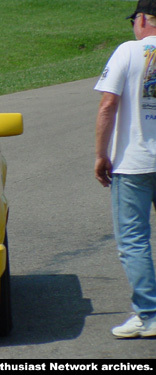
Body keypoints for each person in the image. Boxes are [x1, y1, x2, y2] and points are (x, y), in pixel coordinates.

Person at [94, 0, 156, 338]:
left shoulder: (128, 51)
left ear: (144, 18)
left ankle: (149, 313)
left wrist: (101, 154)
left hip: (133, 162)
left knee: (134, 240)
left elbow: (108, 104)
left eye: (135, 19)